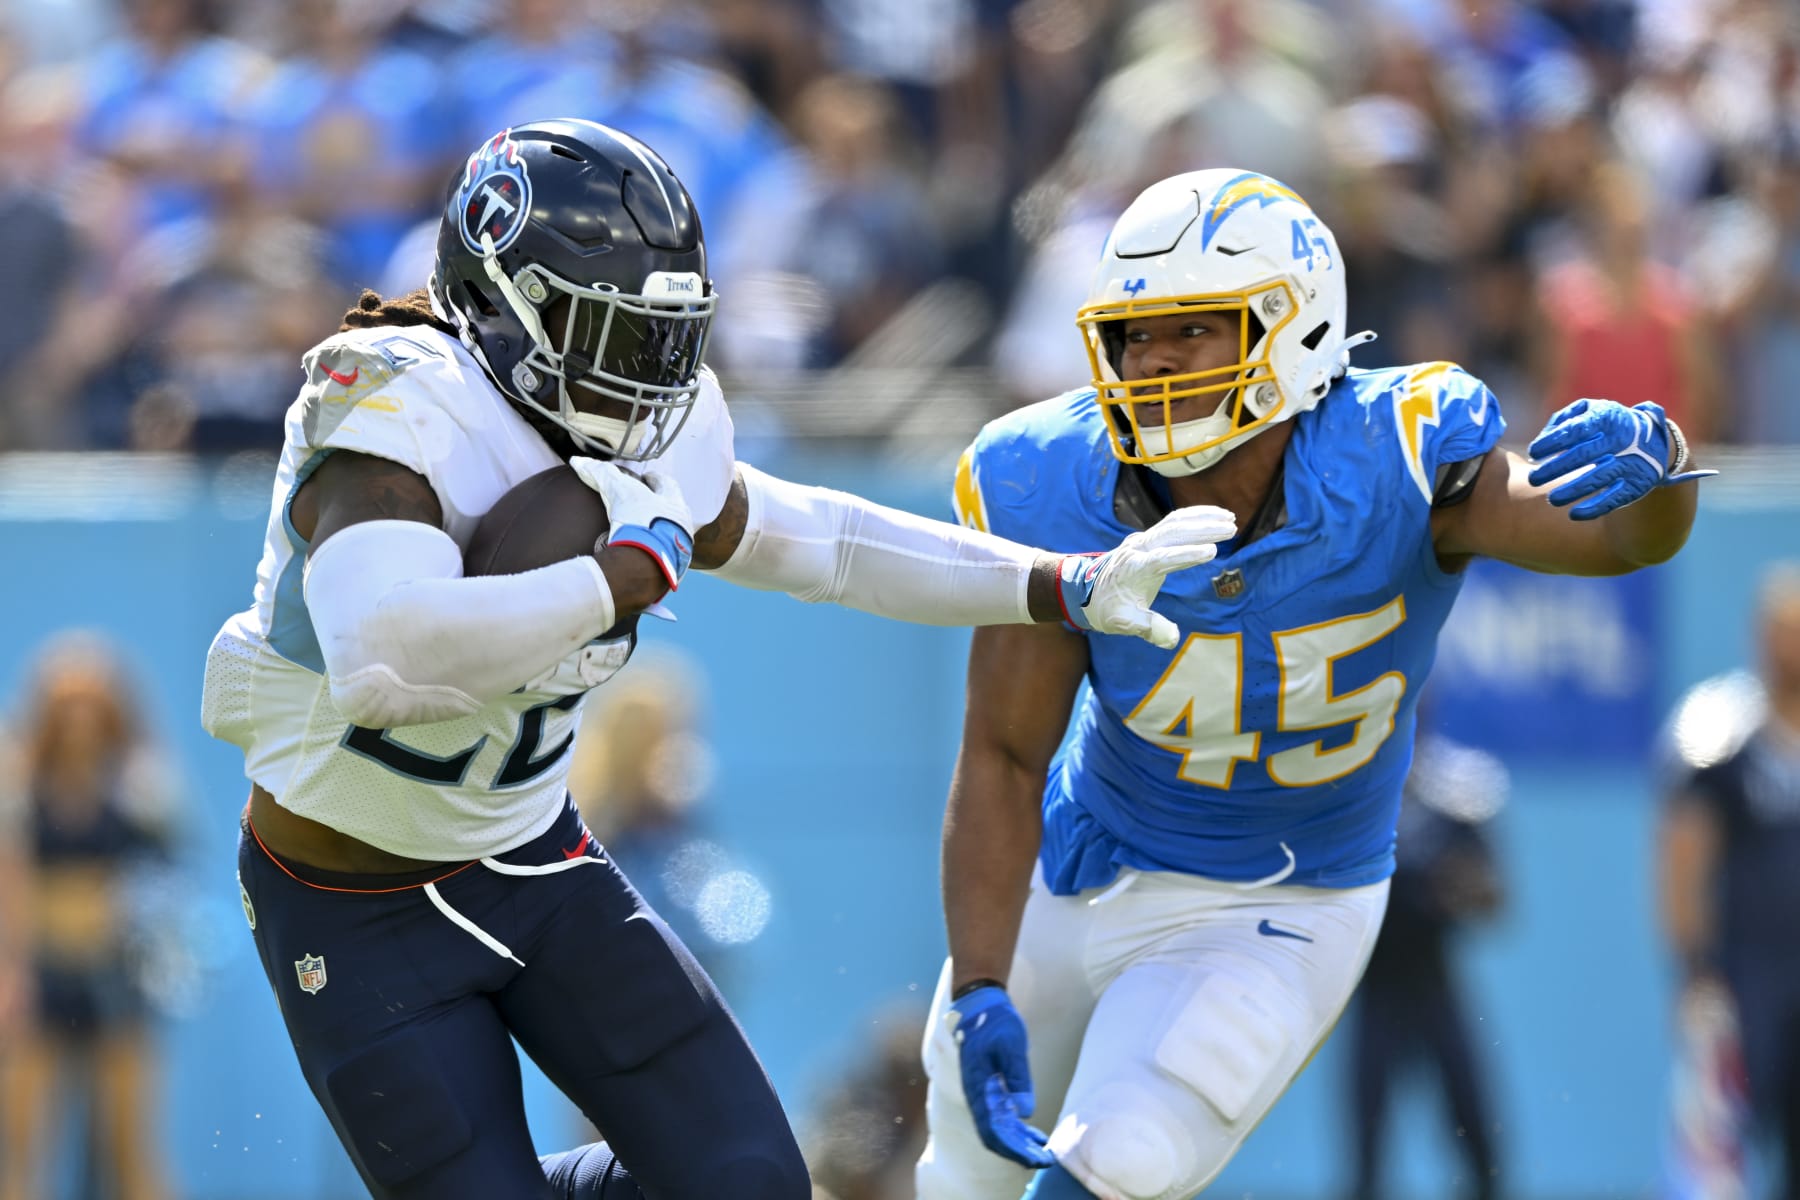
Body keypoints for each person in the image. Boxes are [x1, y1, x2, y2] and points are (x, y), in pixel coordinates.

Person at [200, 118, 1229, 1200]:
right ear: (512, 311)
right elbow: (381, 658)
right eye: (623, 336)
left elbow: (821, 543)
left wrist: (1056, 582)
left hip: (531, 861)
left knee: (751, 1184)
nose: (659, 377)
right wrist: (610, 582)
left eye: (671, 336)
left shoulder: (650, 426)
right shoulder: (399, 410)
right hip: (351, 902)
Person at [918, 167, 1711, 1200]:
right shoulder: (1054, 480)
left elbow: (1610, 539)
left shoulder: (1395, 454)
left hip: (1277, 898)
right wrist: (980, 982)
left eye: (1192, 329)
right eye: (1133, 335)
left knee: (1120, 1163)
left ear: (1292, 330)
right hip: (1077, 862)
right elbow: (1007, 750)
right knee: (957, 1178)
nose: (1151, 361)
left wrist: (1660, 472)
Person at [0, 632, 177, 1200]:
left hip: (115, 976)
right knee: (26, 1151)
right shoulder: (18, 783)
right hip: (40, 977)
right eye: (66, 708)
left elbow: (167, 880)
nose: (79, 722)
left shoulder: (139, 786)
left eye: (91, 708)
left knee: (132, 1152)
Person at [1658, 564, 1800, 1198]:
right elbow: (1684, 857)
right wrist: (1695, 973)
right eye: (1781, 631)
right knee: (1718, 1155)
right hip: (1745, 971)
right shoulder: (1717, 731)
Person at [1346, 724, 1508, 1200]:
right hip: (1373, 983)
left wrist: (1450, 886)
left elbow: (1494, 898)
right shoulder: (1350, 784)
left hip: (1434, 981)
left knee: (1475, 1124)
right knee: (1366, 1140)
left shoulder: (1459, 790)